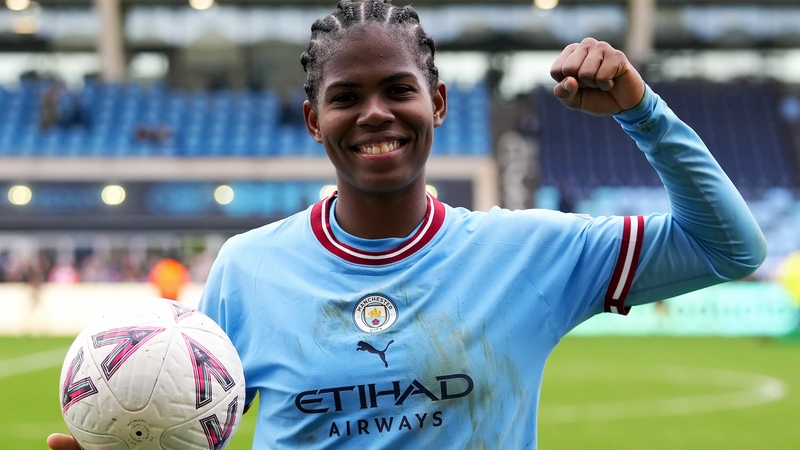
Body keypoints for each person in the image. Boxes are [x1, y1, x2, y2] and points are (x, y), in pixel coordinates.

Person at [47, 1, 767, 449]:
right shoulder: (248, 267)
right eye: (345, 97)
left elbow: (730, 246)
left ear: (440, 104)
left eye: (399, 90)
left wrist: (645, 113)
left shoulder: (531, 253)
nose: (375, 114)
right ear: (312, 120)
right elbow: (198, 426)